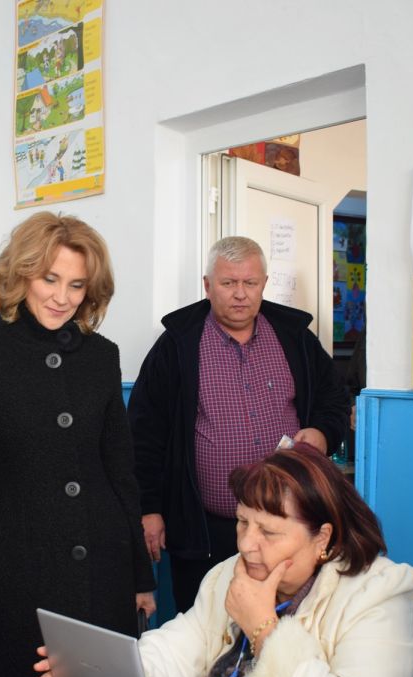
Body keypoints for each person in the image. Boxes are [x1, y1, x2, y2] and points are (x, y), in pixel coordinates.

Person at [34, 444, 413, 677]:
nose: (246, 544)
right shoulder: (232, 573)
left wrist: (264, 629)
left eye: (269, 532)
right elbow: (179, 648)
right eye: (242, 522)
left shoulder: (379, 591)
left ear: (324, 538)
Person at [0, 212, 157, 677]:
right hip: (13, 577)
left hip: (102, 573)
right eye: (49, 279)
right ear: (21, 275)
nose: (62, 297)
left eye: (76, 285)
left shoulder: (102, 356)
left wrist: (141, 576)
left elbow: (121, 474)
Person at [128, 235, 350, 612]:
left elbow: (335, 396)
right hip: (205, 530)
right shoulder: (178, 344)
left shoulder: (294, 337)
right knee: (205, 625)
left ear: (264, 284)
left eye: (250, 282)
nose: (240, 294)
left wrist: (323, 433)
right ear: (208, 285)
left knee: (286, 624)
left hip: (287, 526)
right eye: (229, 283)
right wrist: (148, 508)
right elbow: (144, 433)